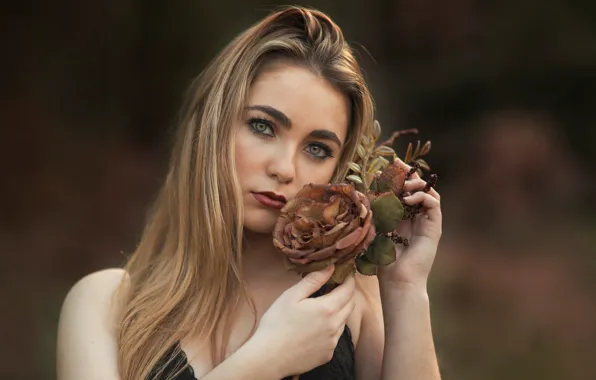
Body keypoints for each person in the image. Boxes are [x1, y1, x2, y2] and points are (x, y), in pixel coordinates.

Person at [56, 6, 443, 380]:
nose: (285, 168)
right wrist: (265, 362)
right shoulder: (104, 306)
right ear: (214, 125)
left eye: (317, 149)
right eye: (262, 126)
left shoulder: (350, 308)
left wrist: (406, 288)